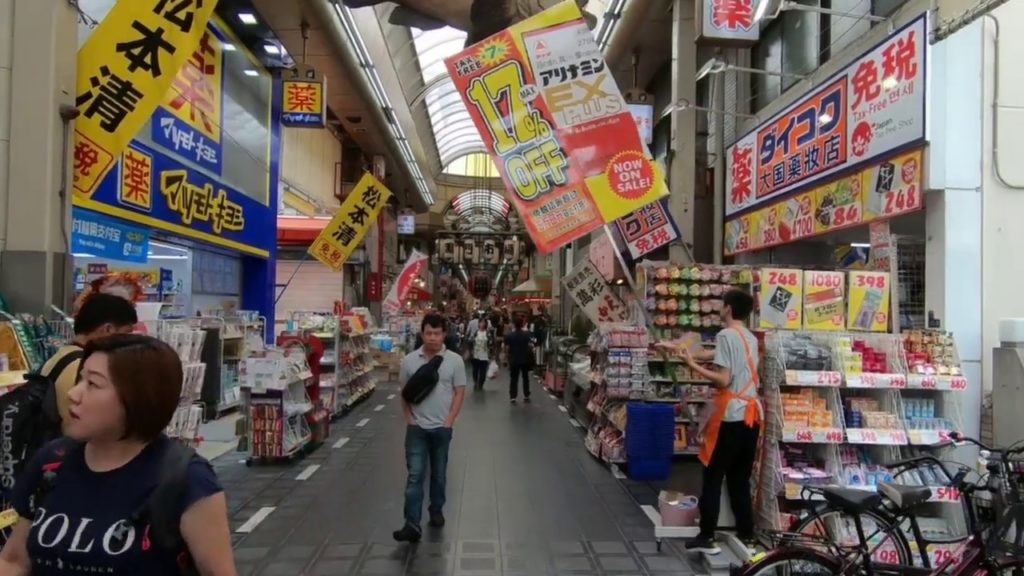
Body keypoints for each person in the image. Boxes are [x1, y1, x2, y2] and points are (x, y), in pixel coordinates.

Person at [0, 334, 236, 575]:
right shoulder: (52, 461)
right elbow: (15, 560)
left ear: (137, 399)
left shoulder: (186, 480)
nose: (74, 394)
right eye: (80, 380)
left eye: (93, 384)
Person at [677, 289, 762, 555]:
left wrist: (691, 364)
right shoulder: (748, 336)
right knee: (739, 477)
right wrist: (685, 351)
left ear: (727, 308)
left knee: (713, 475)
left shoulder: (725, 335)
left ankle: (707, 535)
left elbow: (723, 379)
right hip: (752, 414)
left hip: (731, 415)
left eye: (722, 305)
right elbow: (719, 357)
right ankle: (747, 534)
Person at [394, 314, 467, 543]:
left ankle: (436, 509)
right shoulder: (409, 361)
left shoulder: (455, 361)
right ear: (422, 334)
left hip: (441, 428)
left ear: (444, 334)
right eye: (428, 333)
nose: (433, 338)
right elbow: (404, 393)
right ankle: (411, 523)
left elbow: (459, 392)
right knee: (415, 475)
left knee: (439, 473)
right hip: (416, 428)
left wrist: (450, 421)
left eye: (437, 333)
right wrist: (409, 418)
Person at [43, 293, 139, 426]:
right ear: (108, 330)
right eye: (126, 333)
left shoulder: (62, 355)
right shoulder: (84, 366)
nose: (128, 340)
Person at [504, 316, 535, 404]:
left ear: (514, 324)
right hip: (524, 359)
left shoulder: (510, 335)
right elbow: (530, 345)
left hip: (514, 359)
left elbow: (507, 348)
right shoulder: (526, 334)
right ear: (522, 324)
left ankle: (513, 396)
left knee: (514, 378)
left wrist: (506, 358)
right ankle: (526, 394)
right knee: (525, 377)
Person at [470, 318, 492, 390]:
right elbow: (471, 341)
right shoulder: (476, 332)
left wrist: (491, 353)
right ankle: (475, 381)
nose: (482, 324)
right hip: (476, 354)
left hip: (484, 355)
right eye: (481, 322)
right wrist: (471, 350)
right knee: (475, 370)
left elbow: (491, 343)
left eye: (483, 322)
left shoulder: (488, 333)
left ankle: (481, 383)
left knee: (483, 371)